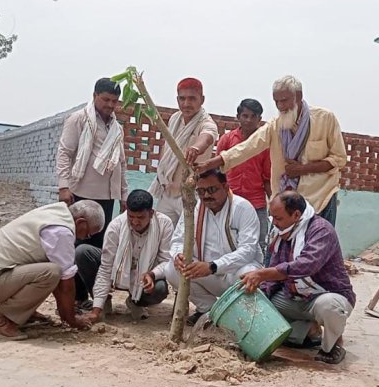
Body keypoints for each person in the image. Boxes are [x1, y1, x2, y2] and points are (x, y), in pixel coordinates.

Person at [196, 75, 346, 226]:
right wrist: (210, 164)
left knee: (320, 244)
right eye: (276, 102)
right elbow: (247, 147)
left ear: (298, 96)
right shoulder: (275, 125)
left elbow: (339, 159)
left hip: (321, 196)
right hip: (286, 200)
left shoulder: (325, 119)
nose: (280, 106)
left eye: (284, 100)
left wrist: (303, 169)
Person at [0, 200, 106, 340]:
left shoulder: (55, 213)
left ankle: (22, 313)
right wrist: (71, 319)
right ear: (80, 222)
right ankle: (0, 318)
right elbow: (66, 282)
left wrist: (65, 313)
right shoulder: (61, 231)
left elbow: (60, 284)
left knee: (50, 271)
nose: (86, 237)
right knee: (51, 273)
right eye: (87, 233)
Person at [240, 191, 355, 364]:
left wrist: (263, 274)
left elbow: (307, 265)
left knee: (329, 306)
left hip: (324, 295)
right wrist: (256, 292)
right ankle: (309, 330)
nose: (274, 223)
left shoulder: (321, 230)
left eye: (278, 218)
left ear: (296, 215)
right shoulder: (282, 233)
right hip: (292, 297)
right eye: (272, 218)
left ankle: (334, 343)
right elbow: (273, 278)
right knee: (257, 304)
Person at [165, 169, 263, 325]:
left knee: (248, 274)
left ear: (225, 186)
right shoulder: (194, 208)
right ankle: (209, 310)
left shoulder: (242, 208)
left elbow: (248, 251)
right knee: (171, 269)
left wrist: (213, 266)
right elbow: (177, 240)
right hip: (205, 272)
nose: (206, 196)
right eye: (201, 191)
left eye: (211, 189)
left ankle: (242, 319)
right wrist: (178, 256)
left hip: (233, 273)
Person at [76, 190, 173, 323]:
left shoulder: (164, 224)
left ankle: (136, 302)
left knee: (160, 289)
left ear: (151, 214)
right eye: (131, 216)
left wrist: (152, 274)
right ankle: (103, 302)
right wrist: (95, 311)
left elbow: (166, 261)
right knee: (82, 252)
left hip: (144, 277)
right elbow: (105, 268)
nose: (135, 222)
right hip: (117, 273)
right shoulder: (116, 226)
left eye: (140, 218)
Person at [56, 78, 128, 248]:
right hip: (80, 192)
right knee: (75, 239)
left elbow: (121, 163)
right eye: (106, 99)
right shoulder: (78, 119)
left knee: (99, 244)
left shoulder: (117, 128)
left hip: (107, 196)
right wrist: (63, 187)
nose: (110, 105)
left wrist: (124, 195)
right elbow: (64, 152)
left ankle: (92, 275)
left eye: (114, 101)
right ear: (95, 95)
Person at [148, 78, 218, 226]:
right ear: (177, 99)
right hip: (167, 190)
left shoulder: (206, 123)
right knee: (160, 234)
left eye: (192, 98)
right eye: (182, 98)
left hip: (189, 194)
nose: (186, 103)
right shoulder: (174, 119)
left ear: (202, 100)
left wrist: (196, 148)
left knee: (188, 240)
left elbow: (207, 137)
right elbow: (166, 148)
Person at [216, 98, 272, 263]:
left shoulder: (264, 144)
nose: (248, 120)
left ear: (259, 119)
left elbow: (267, 177)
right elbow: (217, 171)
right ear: (238, 117)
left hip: (256, 203)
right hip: (230, 201)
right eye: (245, 115)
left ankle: (258, 282)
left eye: (253, 116)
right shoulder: (227, 140)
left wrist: (274, 201)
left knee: (259, 243)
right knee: (225, 242)